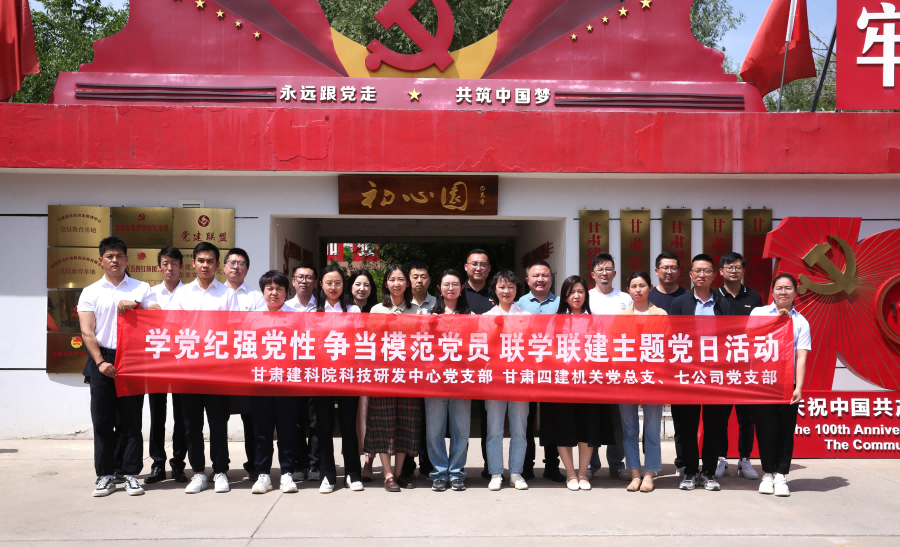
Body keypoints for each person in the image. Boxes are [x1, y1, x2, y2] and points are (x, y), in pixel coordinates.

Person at [78, 236, 157, 497]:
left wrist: (137, 305)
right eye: (109, 256)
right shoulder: (91, 291)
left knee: (131, 421)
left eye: (119, 256)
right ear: (101, 260)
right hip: (102, 358)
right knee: (102, 421)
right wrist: (100, 362)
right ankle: (105, 475)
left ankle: (131, 474)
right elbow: (87, 331)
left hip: (132, 358)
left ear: (127, 259)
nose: (115, 260)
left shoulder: (140, 288)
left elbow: (157, 313)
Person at [169, 242, 240, 494]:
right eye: (201, 260)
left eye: (210, 261)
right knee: (191, 425)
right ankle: (198, 473)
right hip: (188, 369)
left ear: (217, 265)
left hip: (217, 369)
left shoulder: (227, 294)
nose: (205, 265)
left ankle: (220, 472)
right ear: (193, 264)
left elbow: (234, 330)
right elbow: (173, 329)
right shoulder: (182, 294)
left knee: (218, 423)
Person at [540, 275, 614, 491]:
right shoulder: (555, 320)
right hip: (562, 384)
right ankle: (570, 474)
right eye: (571, 292)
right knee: (563, 428)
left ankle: (583, 474)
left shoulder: (595, 320)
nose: (576, 296)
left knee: (587, 429)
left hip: (589, 383)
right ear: (564, 295)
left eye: (580, 291)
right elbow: (547, 350)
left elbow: (604, 349)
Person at [669, 254, 732, 492]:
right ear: (690, 275)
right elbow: (673, 337)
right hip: (687, 373)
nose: (702, 275)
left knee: (714, 425)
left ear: (714, 275)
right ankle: (689, 471)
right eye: (697, 271)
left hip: (715, 374)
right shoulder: (680, 303)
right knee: (687, 424)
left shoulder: (723, 304)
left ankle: (708, 472)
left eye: (706, 271)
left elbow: (730, 337)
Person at [751, 274, 810, 497]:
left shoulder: (801, 321)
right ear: (772, 291)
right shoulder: (758, 313)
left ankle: (781, 475)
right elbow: (748, 340)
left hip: (788, 383)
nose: (783, 292)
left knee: (786, 429)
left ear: (795, 292)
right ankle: (767, 473)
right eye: (779, 288)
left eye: (788, 288)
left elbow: (801, 356)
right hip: (763, 381)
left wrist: (799, 387)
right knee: (766, 429)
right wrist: (776, 322)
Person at [366, 265, 424, 492]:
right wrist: (383, 323)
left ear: (407, 284)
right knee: (384, 423)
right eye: (392, 279)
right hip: (383, 376)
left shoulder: (417, 311)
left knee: (406, 423)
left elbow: (426, 340)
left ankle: (399, 473)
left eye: (401, 279)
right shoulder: (376, 309)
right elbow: (367, 341)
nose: (397, 283)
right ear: (386, 284)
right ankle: (387, 474)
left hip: (409, 376)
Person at [311, 265, 363, 494]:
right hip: (321, 376)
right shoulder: (312, 312)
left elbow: (359, 341)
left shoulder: (353, 310)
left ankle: (353, 474)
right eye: (329, 283)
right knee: (323, 426)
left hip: (347, 375)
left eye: (338, 283)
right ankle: (327, 475)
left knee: (348, 426)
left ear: (344, 286)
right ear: (321, 285)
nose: (333, 287)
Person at [248, 270, 300, 494]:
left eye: (279, 288)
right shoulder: (252, 317)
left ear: (286, 292)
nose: (274, 292)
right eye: (269, 288)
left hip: (287, 382)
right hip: (260, 381)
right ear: (262, 291)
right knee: (262, 431)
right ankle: (263, 474)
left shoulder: (297, 316)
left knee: (287, 430)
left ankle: (287, 473)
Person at [715, 252, 765, 480]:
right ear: (721, 271)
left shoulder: (754, 297)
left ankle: (745, 459)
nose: (734, 271)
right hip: (720, 368)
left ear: (744, 271)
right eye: (729, 267)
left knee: (747, 417)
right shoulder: (714, 297)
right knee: (720, 417)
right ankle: (721, 458)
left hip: (747, 368)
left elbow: (763, 328)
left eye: (738, 267)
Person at [617, 271, 666, 493]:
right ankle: (635, 473)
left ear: (650, 288)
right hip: (627, 380)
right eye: (634, 286)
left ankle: (650, 473)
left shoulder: (661, 314)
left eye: (642, 285)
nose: (638, 290)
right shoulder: (621, 317)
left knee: (652, 429)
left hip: (652, 379)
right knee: (629, 429)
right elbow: (614, 348)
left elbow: (667, 347)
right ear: (628, 290)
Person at [585, 253, 632, 481]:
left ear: (614, 273)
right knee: (592, 416)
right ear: (592, 274)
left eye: (608, 269)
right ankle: (591, 464)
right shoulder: (585, 297)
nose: (604, 273)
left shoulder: (625, 298)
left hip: (619, 367)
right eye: (600, 269)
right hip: (592, 366)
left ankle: (616, 463)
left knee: (618, 418)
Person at [426, 269, 473, 492]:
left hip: (462, 381)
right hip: (435, 381)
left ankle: (456, 473)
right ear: (439, 288)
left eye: (455, 284)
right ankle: (438, 473)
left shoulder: (471, 317)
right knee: (434, 430)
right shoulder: (429, 316)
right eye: (446, 284)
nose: (451, 288)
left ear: (462, 288)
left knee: (461, 430)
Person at [483, 269, 530, 490]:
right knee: (494, 429)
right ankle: (495, 473)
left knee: (519, 428)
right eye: (502, 287)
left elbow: (532, 347)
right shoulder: (486, 317)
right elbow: (481, 349)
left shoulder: (527, 316)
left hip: (520, 378)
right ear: (495, 289)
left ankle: (516, 473)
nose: (506, 291)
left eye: (511, 287)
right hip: (494, 379)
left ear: (517, 289)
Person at [144, 247, 188, 486]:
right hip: (157, 360)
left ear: (182, 266)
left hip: (183, 359)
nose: (170, 268)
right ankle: (157, 463)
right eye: (165, 263)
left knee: (182, 415)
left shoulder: (190, 293)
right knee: (157, 414)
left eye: (174, 263)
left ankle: (178, 464)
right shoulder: (150, 294)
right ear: (159, 266)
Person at [516, 260, 561, 482]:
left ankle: (552, 466)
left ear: (551, 279)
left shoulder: (561, 304)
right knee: (526, 419)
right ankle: (526, 466)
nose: (540, 279)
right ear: (527, 280)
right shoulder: (518, 305)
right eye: (536, 276)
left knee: (552, 419)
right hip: (527, 370)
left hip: (554, 370)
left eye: (545, 275)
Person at [223, 248, 266, 482]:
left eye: (241, 264)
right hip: (220, 365)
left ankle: (254, 465)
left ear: (247, 269)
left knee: (252, 420)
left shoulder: (255, 297)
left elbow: (258, 328)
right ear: (224, 267)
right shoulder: (216, 294)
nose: (236, 267)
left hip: (248, 365)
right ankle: (220, 466)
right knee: (218, 419)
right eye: (232, 263)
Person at [285, 263, 319, 482]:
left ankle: (315, 464)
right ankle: (299, 463)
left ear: (315, 283)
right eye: (300, 277)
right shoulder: (285, 307)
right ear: (293, 281)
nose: (304, 281)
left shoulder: (323, 307)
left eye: (309, 278)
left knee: (316, 420)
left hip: (317, 371)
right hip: (293, 371)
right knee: (295, 420)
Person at [401, 262, 435, 482]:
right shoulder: (402, 305)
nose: (419, 280)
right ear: (408, 281)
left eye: (423, 276)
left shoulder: (438, 303)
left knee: (429, 419)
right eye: (415, 277)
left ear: (429, 280)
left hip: (432, 371)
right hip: (408, 372)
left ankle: (428, 464)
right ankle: (407, 465)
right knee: (409, 418)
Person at [349, 269, 378, 482]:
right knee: (352, 418)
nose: (362, 288)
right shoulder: (342, 309)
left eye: (366, 284)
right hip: (348, 371)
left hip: (371, 370)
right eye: (358, 284)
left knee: (368, 416)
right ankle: (352, 462)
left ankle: (369, 462)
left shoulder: (377, 310)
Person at [463, 248, 494, 314]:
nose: (478, 268)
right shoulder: (458, 292)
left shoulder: (497, 292)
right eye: (474, 264)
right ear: (466, 267)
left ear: (489, 268)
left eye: (483, 265)